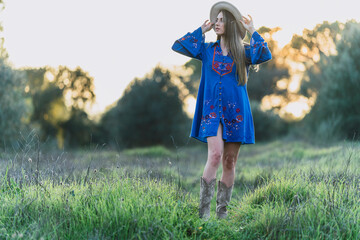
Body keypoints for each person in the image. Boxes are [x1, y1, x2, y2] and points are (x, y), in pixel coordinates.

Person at [171, 1, 272, 220]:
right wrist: (201, 31)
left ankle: (222, 214)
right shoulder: (207, 50)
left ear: (230, 24)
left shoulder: (243, 52)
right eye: (215, 20)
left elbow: (265, 54)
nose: (216, 23)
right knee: (215, 155)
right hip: (211, 112)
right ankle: (203, 214)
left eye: (220, 20)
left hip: (235, 113)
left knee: (229, 161)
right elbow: (178, 46)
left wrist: (253, 30)